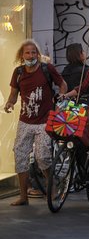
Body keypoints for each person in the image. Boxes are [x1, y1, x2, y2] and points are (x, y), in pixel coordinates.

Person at [4, 39, 67, 206]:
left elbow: (63, 85)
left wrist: (61, 101)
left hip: (44, 121)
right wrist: (9, 103)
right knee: (20, 156)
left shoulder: (47, 69)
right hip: (25, 122)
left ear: (38, 54)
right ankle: (23, 196)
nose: (31, 55)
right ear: (21, 55)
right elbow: (13, 94)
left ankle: (52, 185)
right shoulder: (18, 72)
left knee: (42, 157)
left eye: (33, 52)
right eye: (27, 52)